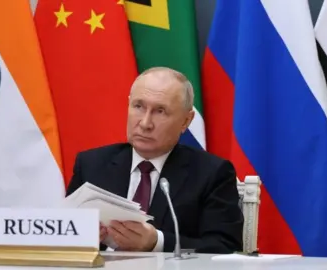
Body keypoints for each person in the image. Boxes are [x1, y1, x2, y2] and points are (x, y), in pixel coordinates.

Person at [66, 67, 243, 254]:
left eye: (160, 111)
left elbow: (225, 247)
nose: (145, 123)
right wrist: (84, 237)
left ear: (185, 121)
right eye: (138, 106)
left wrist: (156, 242)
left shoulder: (212, 174)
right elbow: (64, 233)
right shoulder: (91, 164)